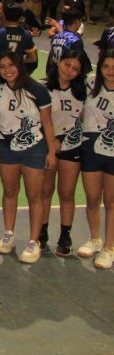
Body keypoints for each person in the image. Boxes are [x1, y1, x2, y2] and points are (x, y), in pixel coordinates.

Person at [0, 51, 57, 263]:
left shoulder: (37, 90)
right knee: (10, 191)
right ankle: (9, 232)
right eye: (2, 67)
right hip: (7, 148)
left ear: (19, 65)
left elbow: (47, 122)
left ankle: (33, 241)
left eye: (11, 65)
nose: (7, 70)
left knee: (34, 195)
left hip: (34, 148)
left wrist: (52, 151)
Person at [42, 51, 87, 257]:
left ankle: (65, 235)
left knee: (67, 194)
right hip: (48, 148)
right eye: (67, 65)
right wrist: (51, 143)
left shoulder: (84, 91)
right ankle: (41, 232)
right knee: (45, 192)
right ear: (59, 62)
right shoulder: (43, 88)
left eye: (75, 69)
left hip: (72, 148)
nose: (69, 71)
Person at [78, 52, 114, 267]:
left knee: (111, 202)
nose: (110, 71)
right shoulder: (90, 83)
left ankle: (109, 248)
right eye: (106, 66)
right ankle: (94, 239)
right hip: (90, 148)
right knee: (92, 198)